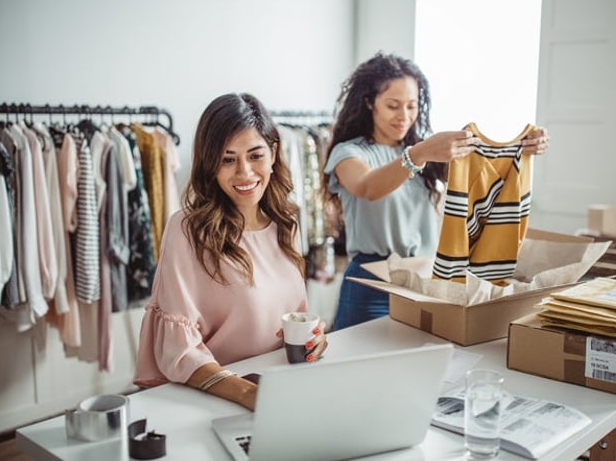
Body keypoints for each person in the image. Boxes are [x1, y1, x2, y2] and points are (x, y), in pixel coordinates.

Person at [323, 52, 549, 331]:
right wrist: (418, 154)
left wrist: (522, 146)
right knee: (357, 365)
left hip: (424, 279)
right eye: (393, 105)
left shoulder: (426, 153)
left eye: (412, 106)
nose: (404, 116)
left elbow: (483, 173)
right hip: (371, 282)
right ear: (370, 103)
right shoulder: (349, 152)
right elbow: (367, 187)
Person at [134, 93, 328, 411]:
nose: (244, 173)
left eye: (255, 156)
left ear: (274, 153)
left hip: (281, 387)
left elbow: (293, 316)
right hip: (213, 398)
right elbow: (179, 351)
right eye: (228, 159)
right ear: (211, 164)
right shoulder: (187, 230)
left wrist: (314, 338)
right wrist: (248, 395)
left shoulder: (287, 221)